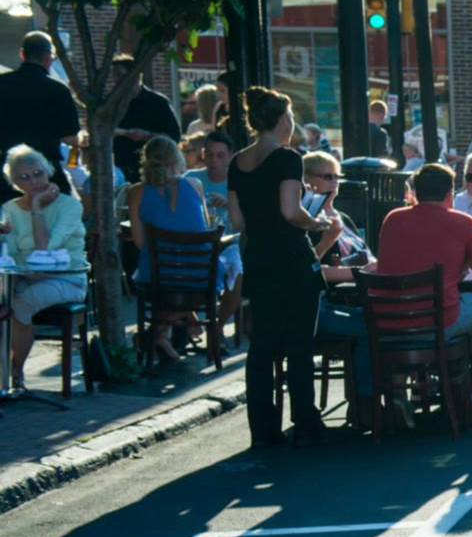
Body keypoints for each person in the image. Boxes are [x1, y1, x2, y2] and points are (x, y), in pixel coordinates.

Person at [228, 86, 335, 447]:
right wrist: (316, 223)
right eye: (289, 117)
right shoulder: (288, 158)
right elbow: (291, 212)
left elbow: (238, 221)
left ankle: (262, 426)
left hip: (257, 257)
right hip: (290, 257)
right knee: (299, 344)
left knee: (262, 345)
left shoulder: (237, 162)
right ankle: (305, 421)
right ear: (280, 120)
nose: (292, 123)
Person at [371, 162, 472, 427]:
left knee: (420, 313)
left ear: (414, 192)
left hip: (387, 321)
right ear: (449, 194)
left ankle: (399, 394)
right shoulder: (463, 222)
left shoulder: (392, 219)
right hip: (437, 321)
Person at [128, 134, 222, 364]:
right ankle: (167, 332)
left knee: (156, 275)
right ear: (176, 158)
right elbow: (203, 228)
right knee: (217, 273)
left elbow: (140, 243)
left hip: (159, 274)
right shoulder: (194, 184)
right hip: (199, 274)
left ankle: (157, 334)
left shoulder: (136, 192)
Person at [0, 145, 88, 390]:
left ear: (48, 172)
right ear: (14, 181)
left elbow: (45, 249)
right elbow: (11, 255)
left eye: (38, 173)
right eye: (24, 177)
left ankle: (14, 374)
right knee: (5, 303)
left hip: (67, 279)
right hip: (24, 277)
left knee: (19, 305)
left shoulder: (69, 206)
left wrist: (37, 207)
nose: (34, 181)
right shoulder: (9, 209)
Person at [0, 34, 81, 204]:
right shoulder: (58, 90)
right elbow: (70, 138)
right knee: (59, 220)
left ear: (22, 54)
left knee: (9, 226)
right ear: (48, 56)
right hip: (46, 171)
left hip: (7, 170)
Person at [109, 53, 183, 183]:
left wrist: (147, 135)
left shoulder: (158, 102)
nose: (115, 80)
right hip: (118, 167)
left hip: (151, 168)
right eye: (114, 75)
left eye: (120, 75)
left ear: (135, 76)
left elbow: (174, 137)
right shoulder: (110, 103)